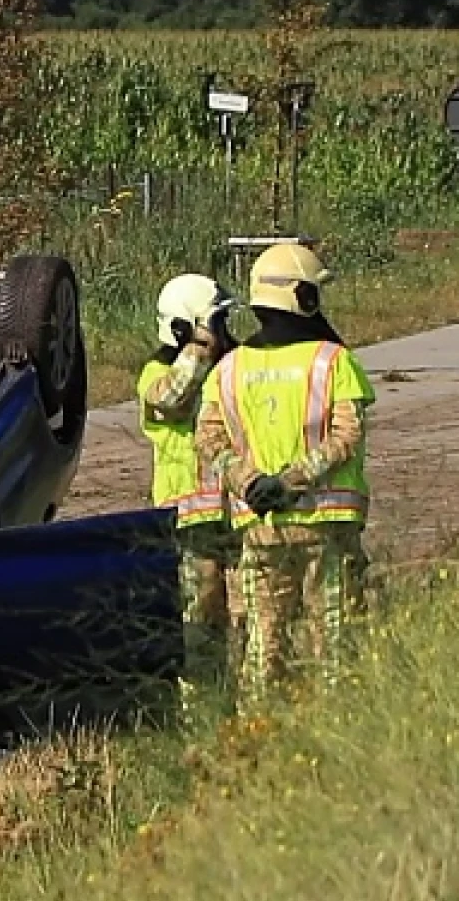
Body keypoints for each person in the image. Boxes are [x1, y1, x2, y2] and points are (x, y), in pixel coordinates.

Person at [196, 243, 375, 712]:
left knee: (262, 644)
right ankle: (340, 734)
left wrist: (250, 483)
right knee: (334, 640)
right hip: (325, 525)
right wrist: (291, 481)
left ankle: (258, 740)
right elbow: (345, 437)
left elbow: (209, 442)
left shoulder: (228, 368)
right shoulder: (333, 361)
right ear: (304, 297)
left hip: (259, 529)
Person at [140, 273, 241, 706]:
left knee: (244, 618)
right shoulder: (156, 373)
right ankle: (202, 709)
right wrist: (199, 347)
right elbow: (173, 398)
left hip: (237, 515)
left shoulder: (230, 371)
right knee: (198, 625)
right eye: (214, 324)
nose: (223, 334)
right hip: (187, 524)